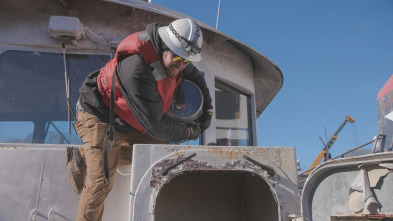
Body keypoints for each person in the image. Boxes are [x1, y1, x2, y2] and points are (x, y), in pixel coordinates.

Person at [66, 18, 213, 221]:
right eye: (178, 61)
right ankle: (94, 157)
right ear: (165, 46)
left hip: (128, 118)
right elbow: (158, 126)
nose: (181, 67)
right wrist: (190, 132)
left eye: (186, 61)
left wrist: (208, 110)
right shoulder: (135, 66)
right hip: (99, 113)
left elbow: (196, 77)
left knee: (157, 153)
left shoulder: (176, 56)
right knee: (101, 179)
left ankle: (85, 155)